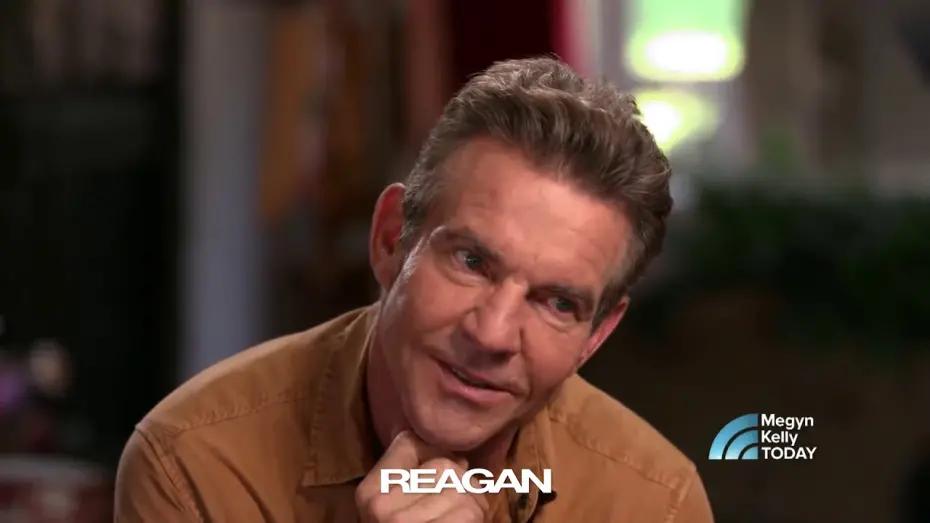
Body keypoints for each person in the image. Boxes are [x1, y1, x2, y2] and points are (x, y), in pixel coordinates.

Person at [114, 57, 715, 523]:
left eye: (558, 303)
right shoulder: (194, 465)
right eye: (472, 262)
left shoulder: (654, 502)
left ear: (597, 334)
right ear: (390, 240)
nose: (492, 334)